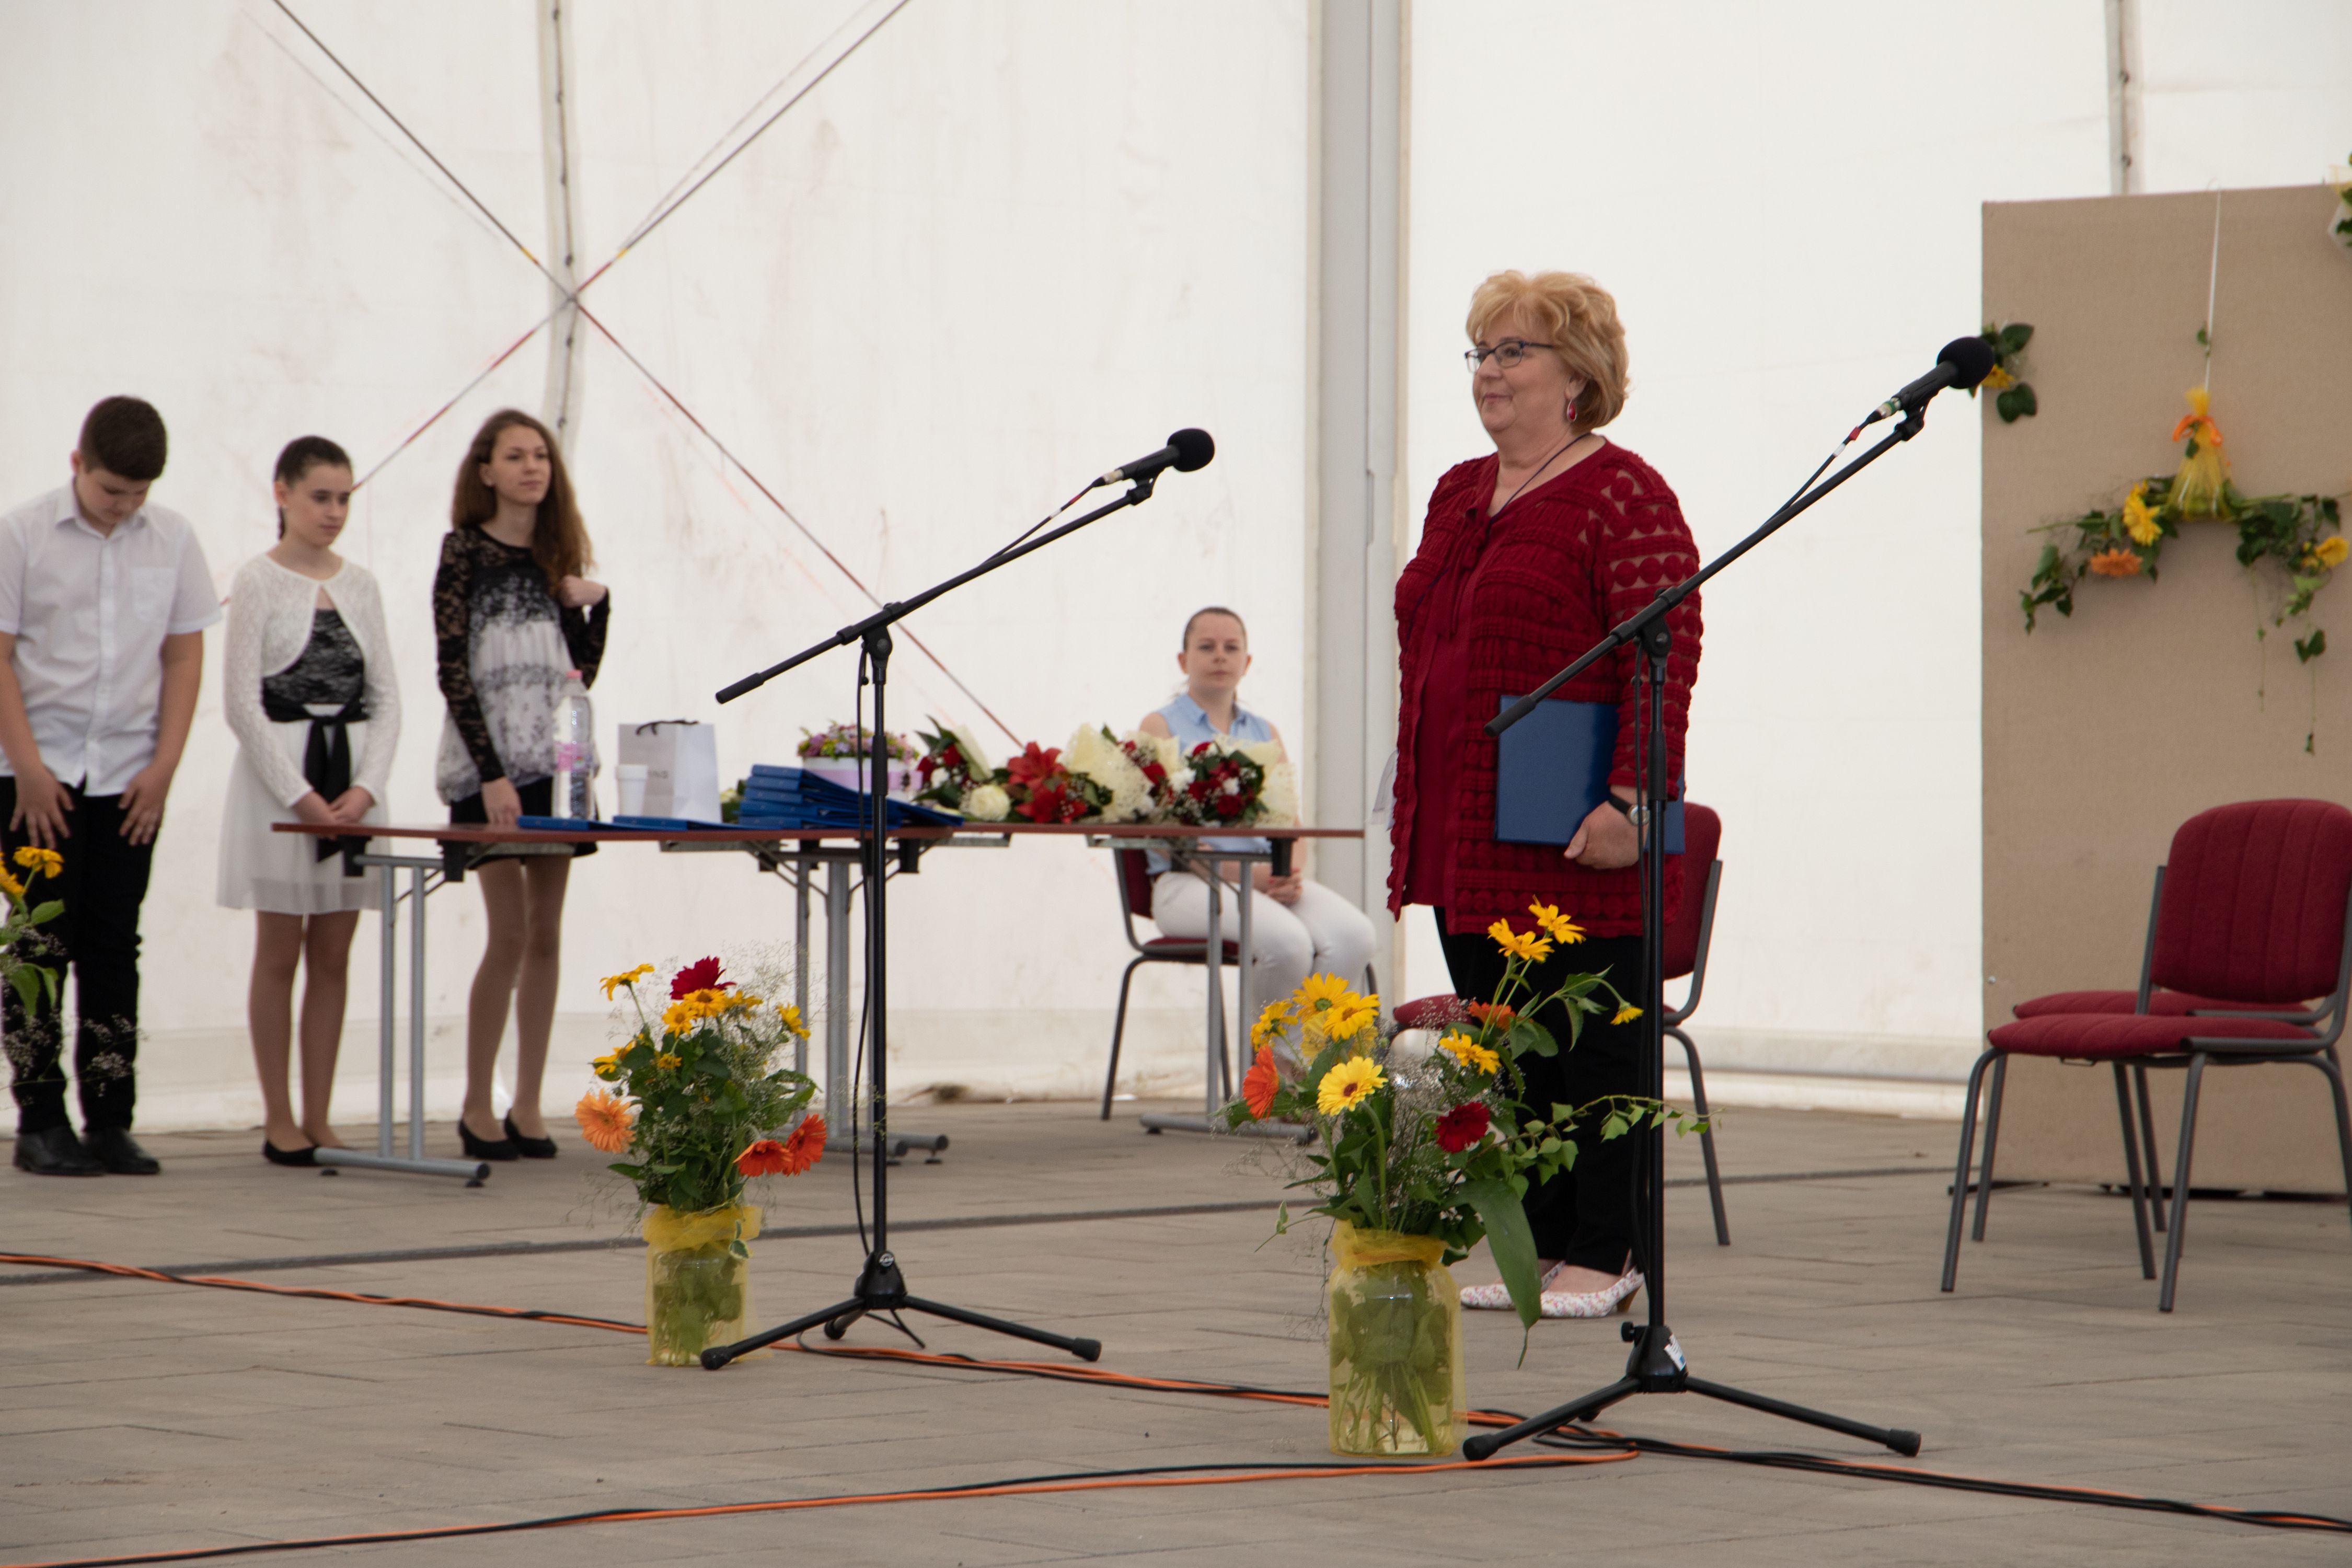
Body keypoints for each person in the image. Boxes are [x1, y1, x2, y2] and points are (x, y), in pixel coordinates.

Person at [1389, 271, 1702, 1318]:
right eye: (1480, 352)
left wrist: (1635, 801)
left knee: (1596, 1048)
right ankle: (1547, 1249)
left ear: (1578, 374)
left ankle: (1611, 1252)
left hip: (1571, 826)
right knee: (1506, 1045)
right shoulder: (1456, 492)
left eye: (1513, 351)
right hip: (1461, 821)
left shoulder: (1622, 492)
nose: (1489, 371)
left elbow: (1667, 654)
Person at [0, 397, 220, 1177]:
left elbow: (184, 656)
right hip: (36, 775)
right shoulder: (22, 534)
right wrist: (28, 767)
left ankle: (110, 1119)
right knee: (36, 945)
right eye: (109, 491)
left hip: (129, 777)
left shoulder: (174, 539)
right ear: (77, 464)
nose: (123, 506)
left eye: (138, 494)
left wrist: (164, 768)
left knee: (114, 945)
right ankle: (39, 1120)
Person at [219, 437, 400, 1167]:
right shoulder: (258, 580)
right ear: (283, 493)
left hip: (350, 783)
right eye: (320, 497)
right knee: (279, 949)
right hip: (282, 785)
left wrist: (365, 788)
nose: (333, 511)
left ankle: (320, 1114)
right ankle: (279, 1116)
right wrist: (299, 796)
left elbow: (387, 699)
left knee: (334, 951)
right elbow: (241, 703)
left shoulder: (363, 585)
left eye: (343, 498)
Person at [434, 409, 608, 1162]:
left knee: (546, 935)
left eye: (541, 455)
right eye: (515, 456)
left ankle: (530, 1104)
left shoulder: (555, 557)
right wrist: (492, 776)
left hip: (557, 769)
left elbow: (580, 674)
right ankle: (478, 1102)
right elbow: (452, 669)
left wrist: (598, 604)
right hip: (490, 772)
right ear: (487, 471)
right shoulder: (463, 552)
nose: (532, 466)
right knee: (506, 934)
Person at [1137, 606, 1377, 1028]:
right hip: (1188, 883)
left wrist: (1287, 872)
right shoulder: (1159, 726)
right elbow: (1166, 838)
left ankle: (1315, 1056)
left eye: (1231, 648)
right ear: (1183, 660)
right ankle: (1270, 1062)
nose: (1220, 656)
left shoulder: (1265, 732)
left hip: (1267, 881)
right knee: (1287, 943)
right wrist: (1260, 876)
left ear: (1247, 662)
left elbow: (1292, 825)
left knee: (1355, 935)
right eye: (1206, 647)